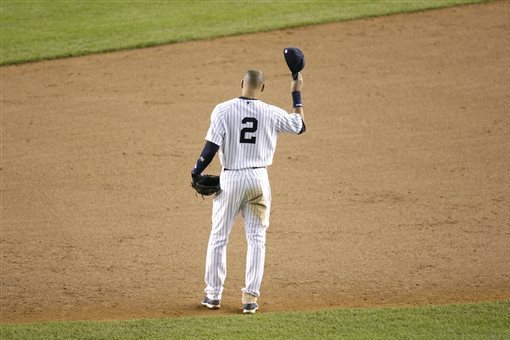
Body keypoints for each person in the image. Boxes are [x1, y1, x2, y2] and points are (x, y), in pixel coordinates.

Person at [191, 69, 306, 314]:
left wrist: (196, 170)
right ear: (262, 88)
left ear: (241, 82)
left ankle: (213, 295)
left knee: (219, 237)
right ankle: (250, 298)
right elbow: (299, 126)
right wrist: (296, 93)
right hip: (258, 180)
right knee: (257, 240)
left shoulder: (223, 109)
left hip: (230, 178)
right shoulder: (272, 113)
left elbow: (211, 147)